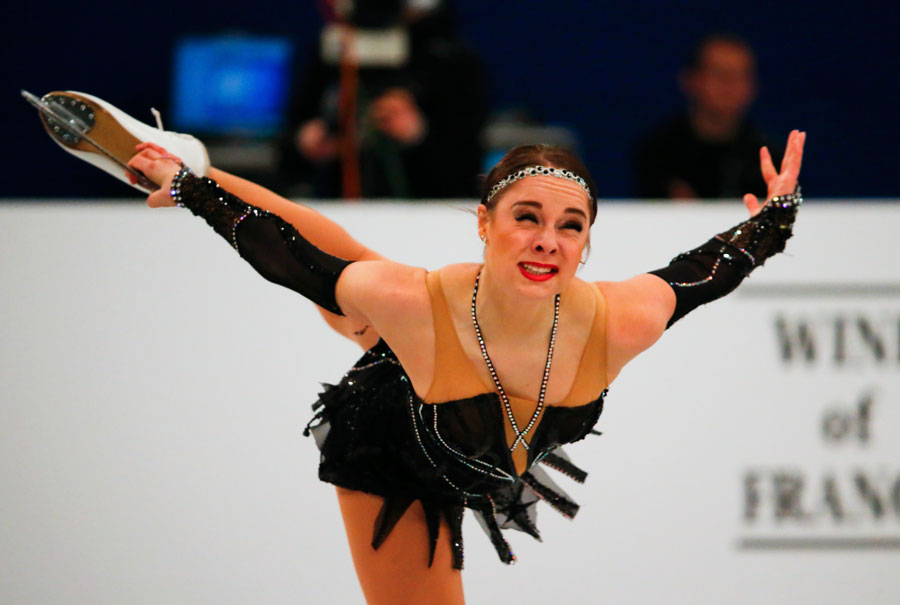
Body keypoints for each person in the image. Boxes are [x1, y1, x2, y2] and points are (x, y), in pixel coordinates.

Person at [31, 90, 804, 604]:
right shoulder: (417, 302)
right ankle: (194, 162)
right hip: (394, 438)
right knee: (353, 294)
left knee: (360, 294)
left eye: (570, 226)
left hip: (470, 403)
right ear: (483, 224)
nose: (548, 240)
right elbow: (296, 260)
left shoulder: (620, 318)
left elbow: (708, 270)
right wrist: (194, 193)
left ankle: (195, 163)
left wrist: (775, 216)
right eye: (526, 217)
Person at [281, 0, 487, 198]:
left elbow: (467, 167)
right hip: (337, 204)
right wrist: (308, 141)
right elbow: (287, 151)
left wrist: (417, 133)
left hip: (424, 206)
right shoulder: (332, 54)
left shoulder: (449, 60)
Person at [634, 33, 784, 199]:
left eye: (741, 76)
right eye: (721, 74)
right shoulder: (658, 153)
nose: (730, 87)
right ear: (691, 79)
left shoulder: (770, 156)